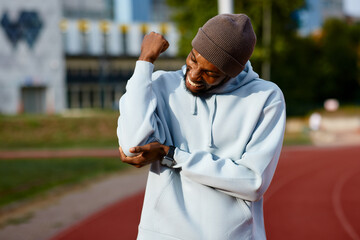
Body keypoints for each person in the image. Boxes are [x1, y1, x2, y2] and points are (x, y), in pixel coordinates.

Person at [117, 13, 286, 240]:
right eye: (193, 59)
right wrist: (145, 62)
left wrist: (173, 155)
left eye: (210, 73)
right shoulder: (162, 85)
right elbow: (132, 147)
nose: (194, 75)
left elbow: (253, 182)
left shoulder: (265, 97)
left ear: (232, 73)